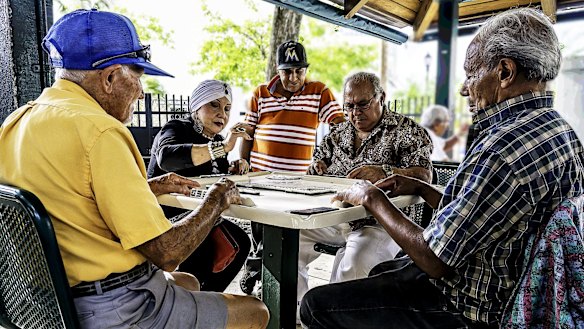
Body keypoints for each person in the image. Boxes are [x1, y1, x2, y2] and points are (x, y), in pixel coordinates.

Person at [300, 8, 584, 329]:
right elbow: (485, 215)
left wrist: (371, 198)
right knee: (381, 272)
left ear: (505, 72)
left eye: (471, 73)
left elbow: (435, 259)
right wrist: (422, 189)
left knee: (317, 305)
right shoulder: (561, 133)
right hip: (518, 291)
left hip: (471, 308)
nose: (465, 88)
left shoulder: (502, 147)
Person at [0, 9, 268, 329]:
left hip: (40, 302)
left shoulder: (16, 122)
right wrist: (217, 200)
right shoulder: (101, 131)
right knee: (255, 311)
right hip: (113, 308)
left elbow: (70, 196)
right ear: (111, 77)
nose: (141, 91)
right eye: (137, 77)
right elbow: (167, 253)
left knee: (190, 282)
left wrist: (151, 186)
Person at [298, 71, 432, 314]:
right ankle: (297, 312)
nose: (354, 112)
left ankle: (332, 318)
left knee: (356, 265)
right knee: (290, 240)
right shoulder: (338, 133)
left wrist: (384, 171)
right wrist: (316, 168)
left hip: (381, 222)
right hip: (334, 216)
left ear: (381, 97)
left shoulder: (407, 131)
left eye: (362, 104)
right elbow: (317, 164)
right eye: (348, 106)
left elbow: (424, 175)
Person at [239, 40, 346, 294]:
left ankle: (270, 280)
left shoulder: (319, 91)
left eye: (300, 70)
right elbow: (247, 132)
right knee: (262, 232)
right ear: (278, 69)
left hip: (297, 182)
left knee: (287, 235)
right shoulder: (261, 93)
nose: (294, 77)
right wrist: (244, 163)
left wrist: (327, 158)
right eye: (287, 71)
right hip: (261, 178)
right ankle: (258, 271)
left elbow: (340, 127)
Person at [147, 79, 252, 292]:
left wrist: (232, 167)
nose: (222, 113)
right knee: (203, 248)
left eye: (227, 108)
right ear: (196, 107)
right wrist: (223, 147)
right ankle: (188, 305)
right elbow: (166, 159)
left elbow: (213, 175)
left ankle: (206, 299)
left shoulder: (217, 140)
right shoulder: (176, 128)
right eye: (214, 105)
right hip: (165, 218)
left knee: (240, 242)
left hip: (203, 215)